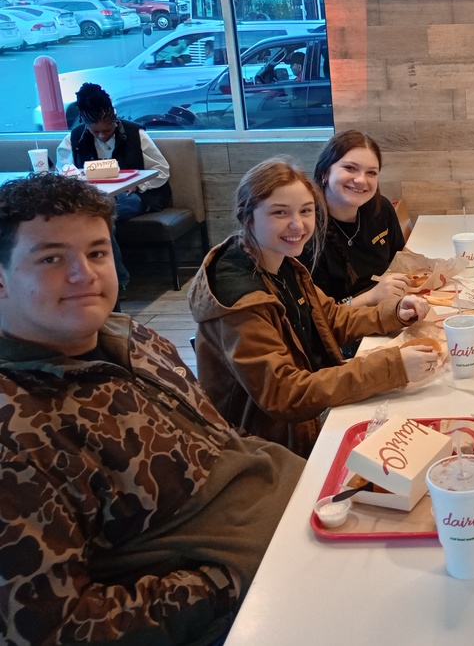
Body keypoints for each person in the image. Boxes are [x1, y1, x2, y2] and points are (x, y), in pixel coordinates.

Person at [0, 173, 304, 645]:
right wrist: (225, 582)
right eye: (52, 258)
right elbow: (55, 628)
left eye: (97, 253)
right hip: (253, 598)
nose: (85, 274)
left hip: (306, 507)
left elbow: (221, 438)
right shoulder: (16, 433)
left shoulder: (129, 335)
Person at [189, 158, 436, 458]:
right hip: (270, 444)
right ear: (248, 217)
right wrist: (392, 367)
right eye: (280, 213)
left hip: (310, 413)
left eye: (306, 211)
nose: (298, 225)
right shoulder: (241, 300)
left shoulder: (283, 264)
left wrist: (394, 312)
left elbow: (329, 318)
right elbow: (285, 394)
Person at [56, 82, 172, 290]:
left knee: (100, 215)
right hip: (92, 199)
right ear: (84, 123)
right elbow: (64, 172)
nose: (102, 136)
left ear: (115, 119)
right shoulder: (73, 139)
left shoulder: (135, 134)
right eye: (95, 131)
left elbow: (161, 170)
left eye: (107, 130)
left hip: (135, 196)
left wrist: (139, 186)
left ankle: (117, 283)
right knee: (94, 216)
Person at [300, 131, 408, 323]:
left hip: (387, 315)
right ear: (325, 172)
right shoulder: (305, 233)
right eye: (350, 168)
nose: (361, 180)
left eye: (371, 172)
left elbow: (400, 260)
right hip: (343, 336)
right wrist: (371, 297)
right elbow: (315, 319)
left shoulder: (380, 209)